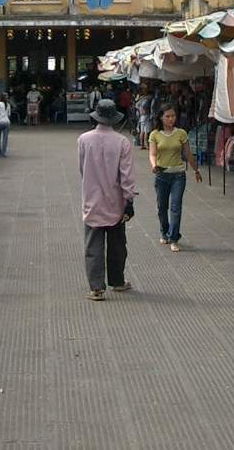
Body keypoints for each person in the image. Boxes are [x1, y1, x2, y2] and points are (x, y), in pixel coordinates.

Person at [78, 99, 137, 301]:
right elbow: (126, 175)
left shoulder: (83, 139)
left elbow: (82, 168)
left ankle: (96, 288)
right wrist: (129, 200)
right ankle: (117, 281)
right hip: (116, 201)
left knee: (93, 245)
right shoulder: (122, 142)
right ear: (114, 118)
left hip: (91, 199)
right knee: (118, 243)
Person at [147, 102, 202, 252]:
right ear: (161, 118)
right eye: (168, 116)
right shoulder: (155, 134)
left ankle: (174, 237)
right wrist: (154, 165)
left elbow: (188, 154)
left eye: (173, 116)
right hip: (161, 175)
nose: (171, 119)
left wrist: (196, 169)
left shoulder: (181, 133)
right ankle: (164, 232)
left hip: (178, 175)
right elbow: (152, 154)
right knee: (162, 207)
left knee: (176, 207)